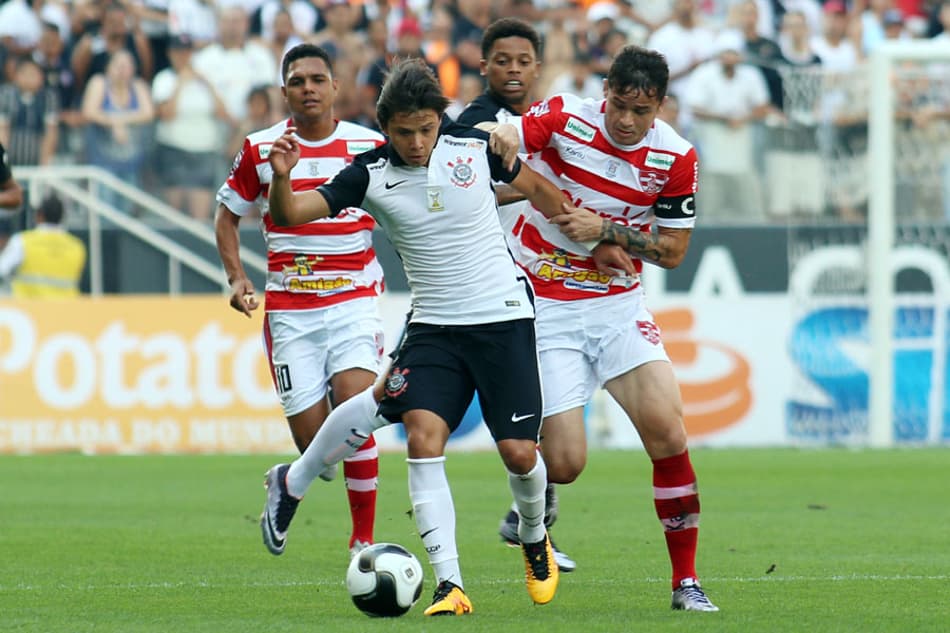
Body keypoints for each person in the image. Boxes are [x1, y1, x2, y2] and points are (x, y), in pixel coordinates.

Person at [257, 58, 629, 616]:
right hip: (435, 327)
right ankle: (449, 585)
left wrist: (593, 240)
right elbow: (290, 214)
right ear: (387, 128)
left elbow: (540, 191)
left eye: (425, 129)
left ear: (439, 121)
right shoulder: (369, 173)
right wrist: (284, 176)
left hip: (503, 319)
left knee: (519, 453)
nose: (415, 142)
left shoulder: (474, 149)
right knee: (422, 437)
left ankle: (533, 536)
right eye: (403, 132)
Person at [481, 45, 719, 611]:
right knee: (566, 464)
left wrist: (608, 229)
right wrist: (508, 140)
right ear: (605, 90)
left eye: (641, 111)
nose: (627, 120)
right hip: (547, 303)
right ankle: (531, 507)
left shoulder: (677, 157)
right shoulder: (567, 116)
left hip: (617, 305)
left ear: (660, 105)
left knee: (668, 432)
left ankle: (684, 581)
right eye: (619, 105)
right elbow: (504, 135)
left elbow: (674, 252)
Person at [215, 44, 386, 556]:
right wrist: (237, 279)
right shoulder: (260, 148)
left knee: (359, 411)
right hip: (291, 310)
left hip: (355, 297)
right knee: (319, 447)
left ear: (336, 88)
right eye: (297, 81)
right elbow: (228, 216)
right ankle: (292, 475)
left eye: (318, 78)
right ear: (284, 91)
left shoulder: (371, 145)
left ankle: (363, 542)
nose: (309, 88)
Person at [454, 16, 577, 574]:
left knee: (548, 418)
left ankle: (532, 521)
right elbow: (474, 197)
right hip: (494, 283)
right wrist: (535, 193)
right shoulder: (476, 124)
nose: (513, 69)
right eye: (502, 60)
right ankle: (301, 473)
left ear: (537, 66)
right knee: (401, 405)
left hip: (541, 280)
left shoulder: (542, 120)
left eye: (523, 61)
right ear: (484, 66)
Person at [0, 193, 86, 297]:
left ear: (39, 215)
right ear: (62, 216)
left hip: (31, 309)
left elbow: (2, 269)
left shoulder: (22, 241)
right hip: (67, 309)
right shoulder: (76, 246)